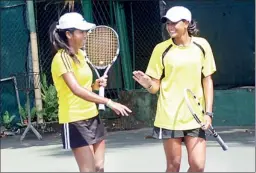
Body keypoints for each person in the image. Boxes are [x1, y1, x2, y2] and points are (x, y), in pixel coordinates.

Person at [133, 6, 216, 172]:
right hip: (169, 117)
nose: (169, 27)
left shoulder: (202, 45)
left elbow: (207, 80)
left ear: (186, 23)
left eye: (173, 23)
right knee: (173, 166)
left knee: (198, 165)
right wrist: (147, 83)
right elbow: (154, 88)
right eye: (167, 23)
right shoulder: (161, 49)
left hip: (195, 117)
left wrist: (208, 113)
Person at [49, 12, 132, 172]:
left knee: (99, 167)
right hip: (74, 120)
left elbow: (84, 87)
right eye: (81, 32)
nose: (86, 35)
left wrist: (95, 85)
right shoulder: (61, 58)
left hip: (92, 116)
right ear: (68, 34)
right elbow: (76, 89)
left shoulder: (81, 54)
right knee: (88, 170)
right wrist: (108, 101)